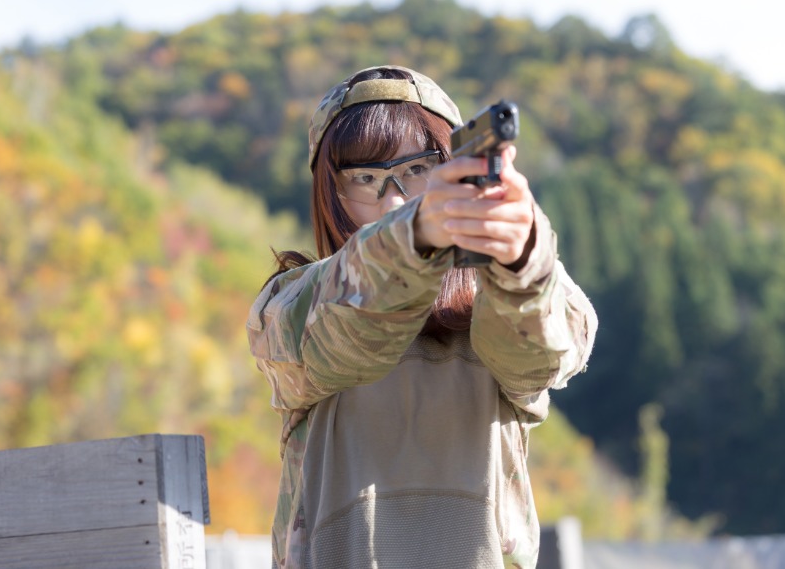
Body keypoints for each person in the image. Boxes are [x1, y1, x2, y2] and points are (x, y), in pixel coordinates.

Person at [247, 65, 598, 568]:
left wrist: (520, 255)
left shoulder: (509, 292)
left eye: (417, 170)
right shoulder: (293, 300)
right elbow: (346, 329)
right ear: (331, 196)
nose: (393, 198)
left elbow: (537, 356)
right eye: (364, 179)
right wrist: (418, 234)